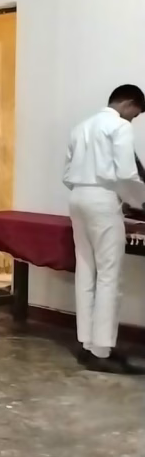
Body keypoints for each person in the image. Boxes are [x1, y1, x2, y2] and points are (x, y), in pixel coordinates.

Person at [63, 84, 145, 375]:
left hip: (77, 198)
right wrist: (141, 202)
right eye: (136, 114)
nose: (133, 119)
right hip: (103, 200)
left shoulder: (80, 127)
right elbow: (126, 174)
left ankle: (87, 344)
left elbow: (66, 173)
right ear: (128, 103)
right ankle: (102, 350)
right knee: (110, 275)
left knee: (86, 270)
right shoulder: (119, 126)